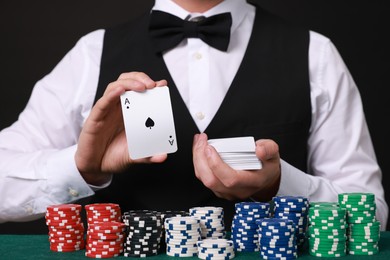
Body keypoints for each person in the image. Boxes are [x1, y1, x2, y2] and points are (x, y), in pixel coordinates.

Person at [0, 0, 388, 231]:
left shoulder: (315, 53)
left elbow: (371, 211)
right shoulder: (91, 53)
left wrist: (281, 184)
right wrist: (82, 169)